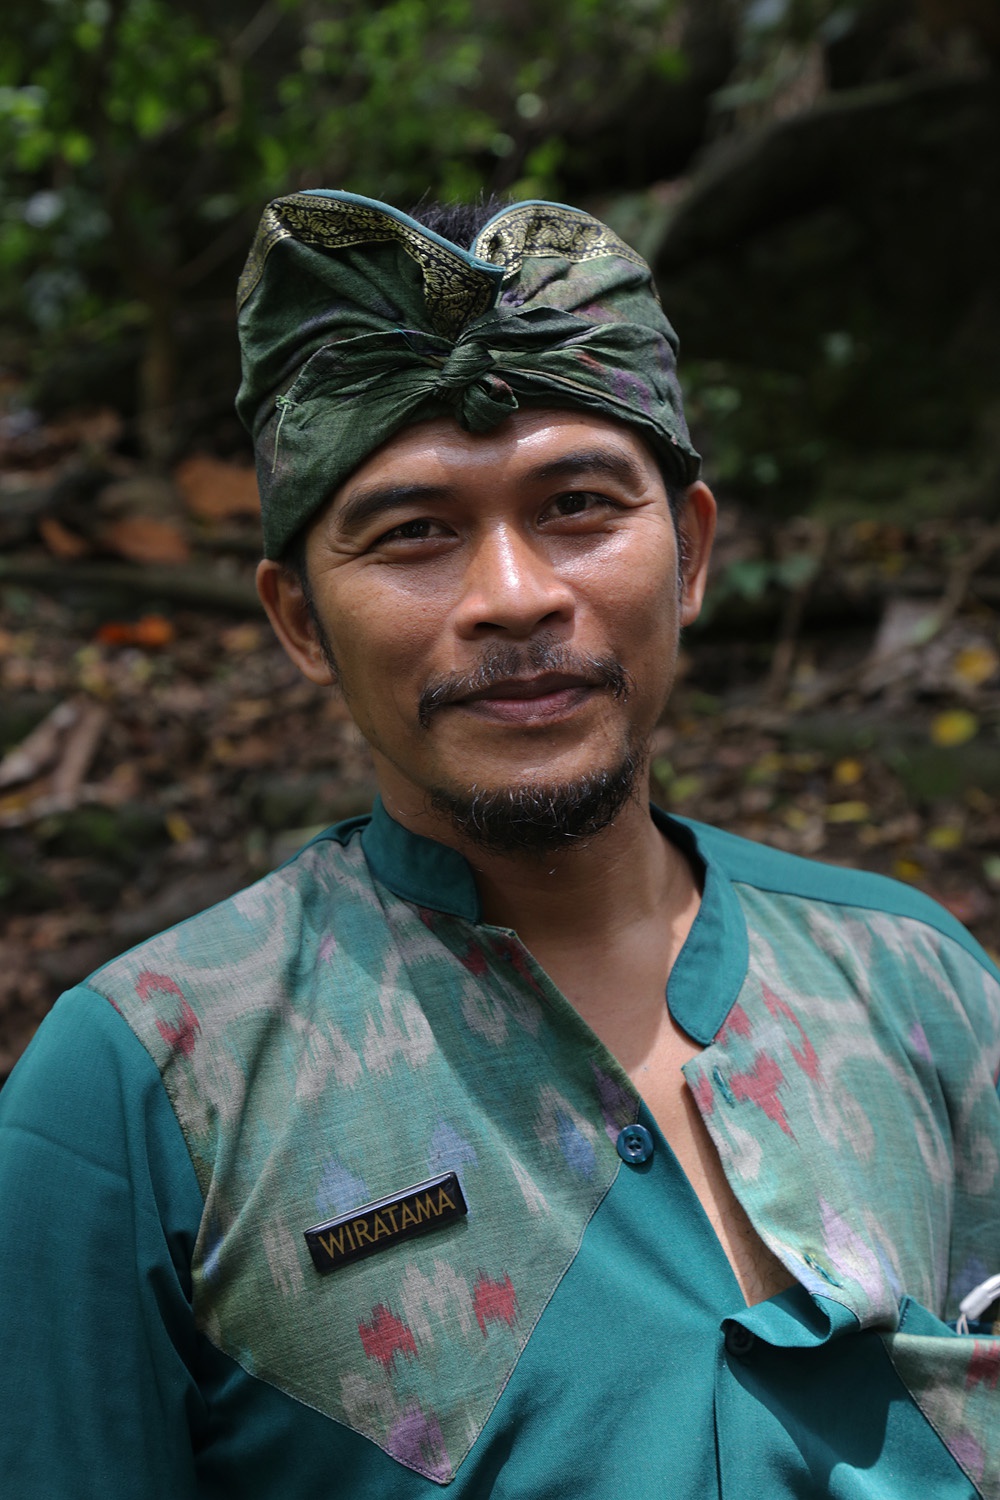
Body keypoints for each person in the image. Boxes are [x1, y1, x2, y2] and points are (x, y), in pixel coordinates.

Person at [1, 189, 998, 1499]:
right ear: (299, 619)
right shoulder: (148, 1094)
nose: (515, 595)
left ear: (691, 555)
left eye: (579, 505)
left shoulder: (913, 985)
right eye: (414, 532)